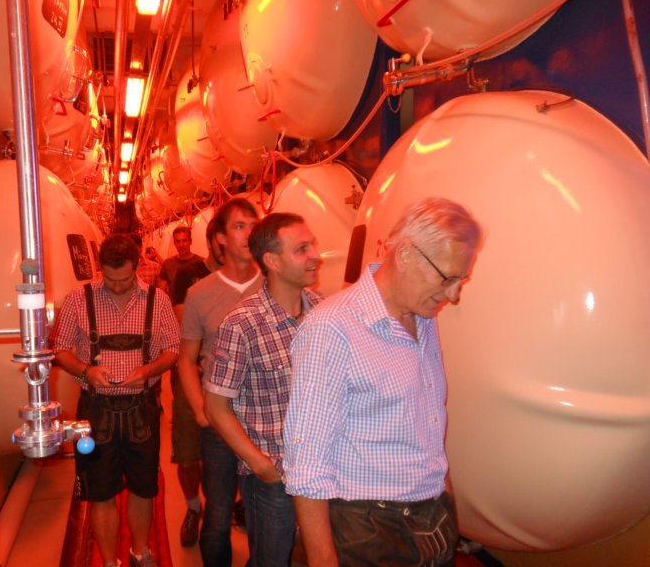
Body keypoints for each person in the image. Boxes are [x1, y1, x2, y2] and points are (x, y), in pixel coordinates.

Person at [283, 197, 483, 567]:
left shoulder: (423, 319)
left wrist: (446, 502)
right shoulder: (332, 329)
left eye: (461, 280)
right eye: (448, 279)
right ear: (405, 255)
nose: (454, 295)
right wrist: (322, 559)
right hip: (367, 529)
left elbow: (428, 427)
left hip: (432, 517)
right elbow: (306, 462)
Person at [51, 234, 180, 567]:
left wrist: (149, 370)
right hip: (96, 409)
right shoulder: (78, 299)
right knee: (100, 491)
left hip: (142, 408)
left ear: (136, 267)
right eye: (110, 280)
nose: (118, 286)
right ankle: (110, 562)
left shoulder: (158, 300)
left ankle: (141, 552)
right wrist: (86, 371)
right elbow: (60, 350)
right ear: (100, 269)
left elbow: (172, 350)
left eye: (124, 279)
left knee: (143, 487)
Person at [204, 213, 323, 566]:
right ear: (272, 261)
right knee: (271, 560)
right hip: (273, 478)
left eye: (312, 245)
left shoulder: (322, 310)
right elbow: (215, 407)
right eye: (302, 248)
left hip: (322, 469)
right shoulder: (242, 325)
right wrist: (260, 465)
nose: (315, 255)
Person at [178, 198, 263, 566]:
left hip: (266, 421)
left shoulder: (276, 285)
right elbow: (186, 358)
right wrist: (201, 411)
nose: (248, 234)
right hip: (220, 419)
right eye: (239, 226)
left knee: (267, 515)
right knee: (217, 514)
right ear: (220, 239)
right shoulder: (200, 294)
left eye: (254, 225)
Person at [167, 219, 224, 547]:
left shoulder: (247, 278)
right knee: (188, 454)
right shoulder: (189, 275)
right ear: (214, 240)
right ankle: (192, 507)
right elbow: (183, 318)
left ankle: (219, 511)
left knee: (227, 454)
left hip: (229, 377)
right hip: (192, 372)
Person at [159, 226, 203, 293]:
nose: (181, 245)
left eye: (184, 241)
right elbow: (161, 292)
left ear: (190, 241)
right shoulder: (168, 264)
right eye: (178, 241)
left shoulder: (201, 263)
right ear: (174, 243)